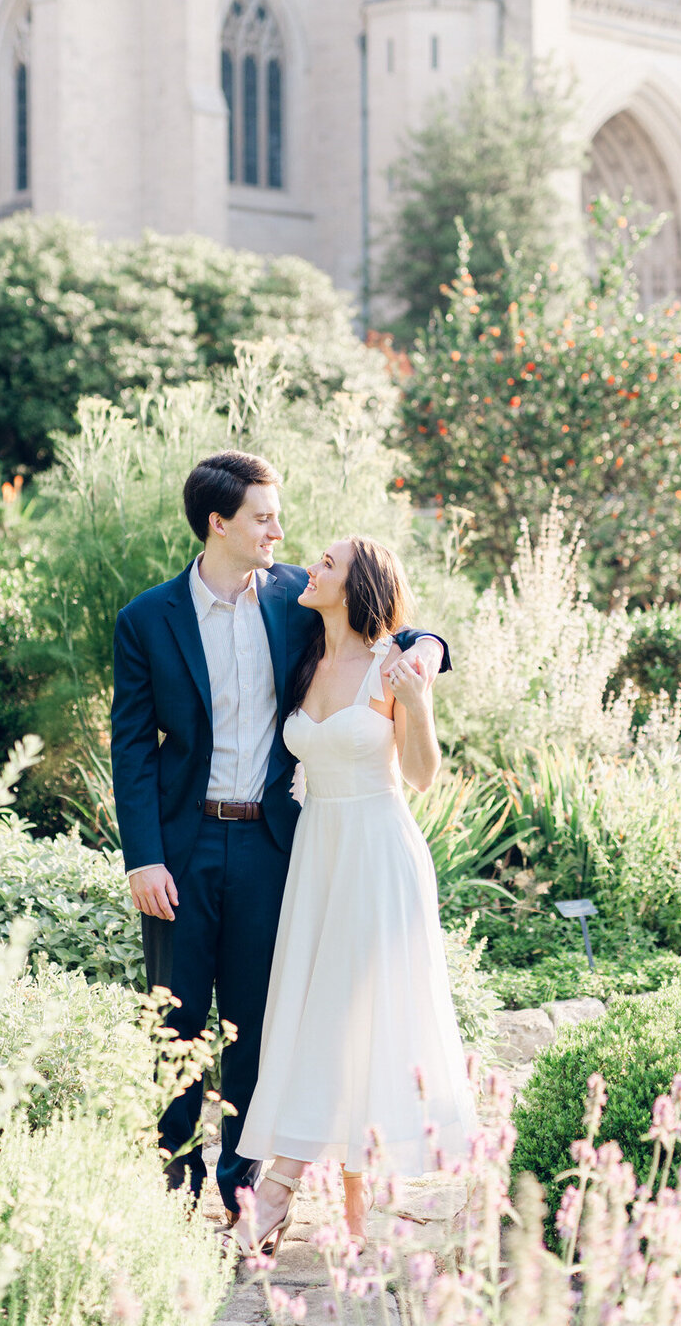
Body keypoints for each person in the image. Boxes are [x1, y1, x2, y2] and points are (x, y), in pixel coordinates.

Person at [110, 452, 450, 1225]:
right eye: (264, 516)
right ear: (218, 523)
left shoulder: (297, 593)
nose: (279, 529)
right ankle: (172, 1188)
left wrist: (428, 649)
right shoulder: (145, 619)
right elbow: (131, 743)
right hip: (181, 846)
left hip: (275, 845)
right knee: (176, 1017)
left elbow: (389, 617)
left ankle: (243, 1186)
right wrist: (143, 855)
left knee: (262, 1020)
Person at [232, 535, 477, 1259]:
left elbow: (423, 774)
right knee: (325, 1009)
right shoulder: (304, 652)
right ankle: (351, 1210)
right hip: (318, 852)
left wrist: (419, 697)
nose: (313, 566)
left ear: (359, 583)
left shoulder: (392, 664)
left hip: (377, 849)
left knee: (349, 1011)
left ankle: (276, 1188)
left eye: (330, 563)